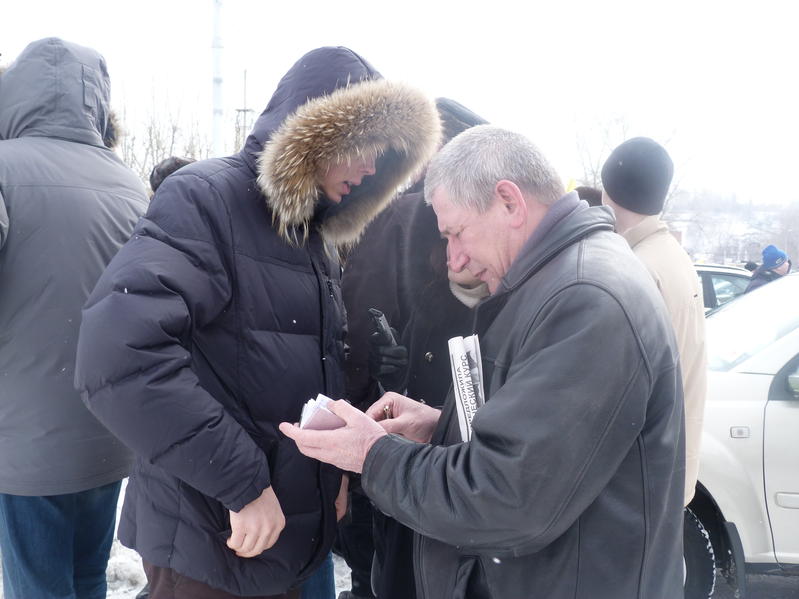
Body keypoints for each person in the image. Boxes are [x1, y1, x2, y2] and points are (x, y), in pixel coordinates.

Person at [74, 46, 440, 599]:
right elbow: (118, 354)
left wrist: (334, 472)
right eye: (364, 148)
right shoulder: (207, 198)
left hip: (279, 538)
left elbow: (305, 368)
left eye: (383, 157)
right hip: (210, 535)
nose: (370, 169)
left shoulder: (312, 236)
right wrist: (242, 484)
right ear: (317, 134)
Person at [281, 125, 685, 599]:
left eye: (456, 234)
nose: (456, 260)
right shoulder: (559, 281)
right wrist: (440, 426)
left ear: (509, 202)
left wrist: (373, 455)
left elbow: (507, 499)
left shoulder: (586, 299)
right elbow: (544, 444)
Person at [0, 38, 149, 599]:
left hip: (26, 444)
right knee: (87, 578)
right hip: (109, 432)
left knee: (38, 588)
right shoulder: (131, 184)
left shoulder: (4, 168)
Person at [338, 98, 489, 599]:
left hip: (412, 439)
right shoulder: (402, 220)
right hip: (425, 441)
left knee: (389, 573)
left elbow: (359, 327)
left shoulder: (402, 217)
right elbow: (364, 326)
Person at [601, 136, 707, 507]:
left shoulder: (636, 268)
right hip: (669, 463)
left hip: (639, 477)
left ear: (608, 191)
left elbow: (616, 390)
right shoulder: (674, 256)